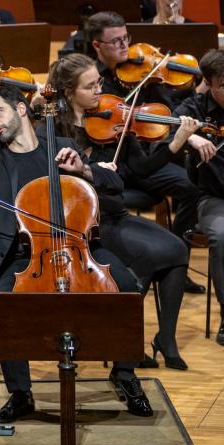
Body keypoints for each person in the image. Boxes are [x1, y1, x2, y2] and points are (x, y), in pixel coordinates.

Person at [0, 86, 153, 421]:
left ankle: (124, 374)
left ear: (21, 110)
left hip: (79, 248)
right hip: (19, 255)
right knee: (5, 301)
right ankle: (21, 394)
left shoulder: (63, 148)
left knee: (128, 287)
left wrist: (83, 170)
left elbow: (114, 185)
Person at [47, 53, 197, 369]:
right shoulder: (54, 129)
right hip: (85, 224)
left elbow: (142, 170)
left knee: (176, 249)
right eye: (90, 87)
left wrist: (178, 140)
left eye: (98, 82)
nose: (99, 91)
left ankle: (165, 339)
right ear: (69, 91)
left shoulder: (114, 121)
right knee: (147, 257)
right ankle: (122, 341)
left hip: (116, 216)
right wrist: (89, 170)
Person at [86, 11, 203, 293]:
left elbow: (168, 110)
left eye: (126, 38)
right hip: (113, 169)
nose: (125, 46)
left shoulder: (145, 73)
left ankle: (175, 261)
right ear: (97, 45)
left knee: (193, 185)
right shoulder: (89, 80)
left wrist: (191, 120)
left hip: (147, 158)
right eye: (116, 41)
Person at [170, 48, 224, 346]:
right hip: (215, 197)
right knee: (222, 238)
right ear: (208, 83)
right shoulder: (196, 108)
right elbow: (171, 125)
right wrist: (190, 135)